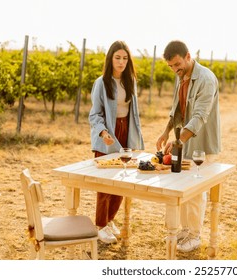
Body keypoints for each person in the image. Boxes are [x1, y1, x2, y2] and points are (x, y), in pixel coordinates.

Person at [156, 40, 221, 252]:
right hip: (183, 140)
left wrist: (178, 140)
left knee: (195, 191)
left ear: (188, 55)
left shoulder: (206, 79)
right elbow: (177, 110)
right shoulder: (181, 76)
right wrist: (166, 132)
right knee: (181, 188)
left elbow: (200, 116)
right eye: (171, 66)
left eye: (177, 64)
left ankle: (195, 236)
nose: (175, 69)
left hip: (201, 144)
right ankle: (185, 230)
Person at [89, 41, 144, 244]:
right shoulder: (101, 83)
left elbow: (134, 114)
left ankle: (110, 220)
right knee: (105, 182)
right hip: (108, 135)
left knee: (122, 181)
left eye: (125, 58)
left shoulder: (131, 81)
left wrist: (134, 138)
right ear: (110, 59)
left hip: (125, 132)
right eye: (117, 58)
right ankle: (100, 225)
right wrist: (103, 132)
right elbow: (94, 114)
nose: (121, 62)